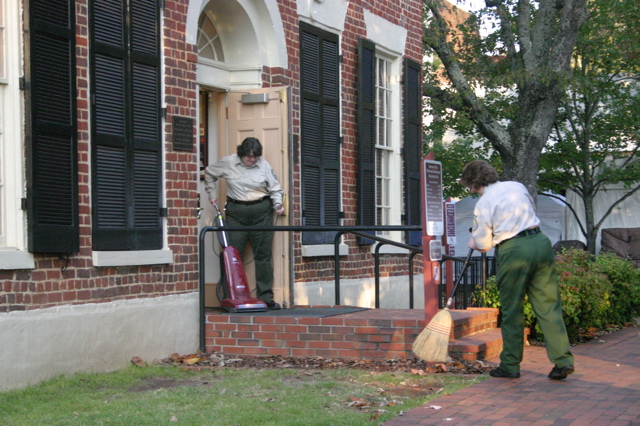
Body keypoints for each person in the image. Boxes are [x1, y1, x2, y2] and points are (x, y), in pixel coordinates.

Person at [460, 160, 575, 380]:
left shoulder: (484, 204)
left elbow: (483, 245)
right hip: (540, 242)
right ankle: (563, 360)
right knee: (549, 306)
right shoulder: (516, 186)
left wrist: (473, 242)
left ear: (473, 184)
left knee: (512, 309)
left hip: (514, 250)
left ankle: (510, 364)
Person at [204, 137, 285, 310]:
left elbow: (275, 188)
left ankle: (265, 297)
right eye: (249, 157)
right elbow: (209, 173)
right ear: (241, 154)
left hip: (261, 212)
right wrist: (212, 193)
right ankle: (231, 296)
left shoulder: (264, 165)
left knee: (263, 256)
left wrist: (278, 203)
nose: (252, 160)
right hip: (236, 213)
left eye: (255, 156)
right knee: (232, 255)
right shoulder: (228, 162)